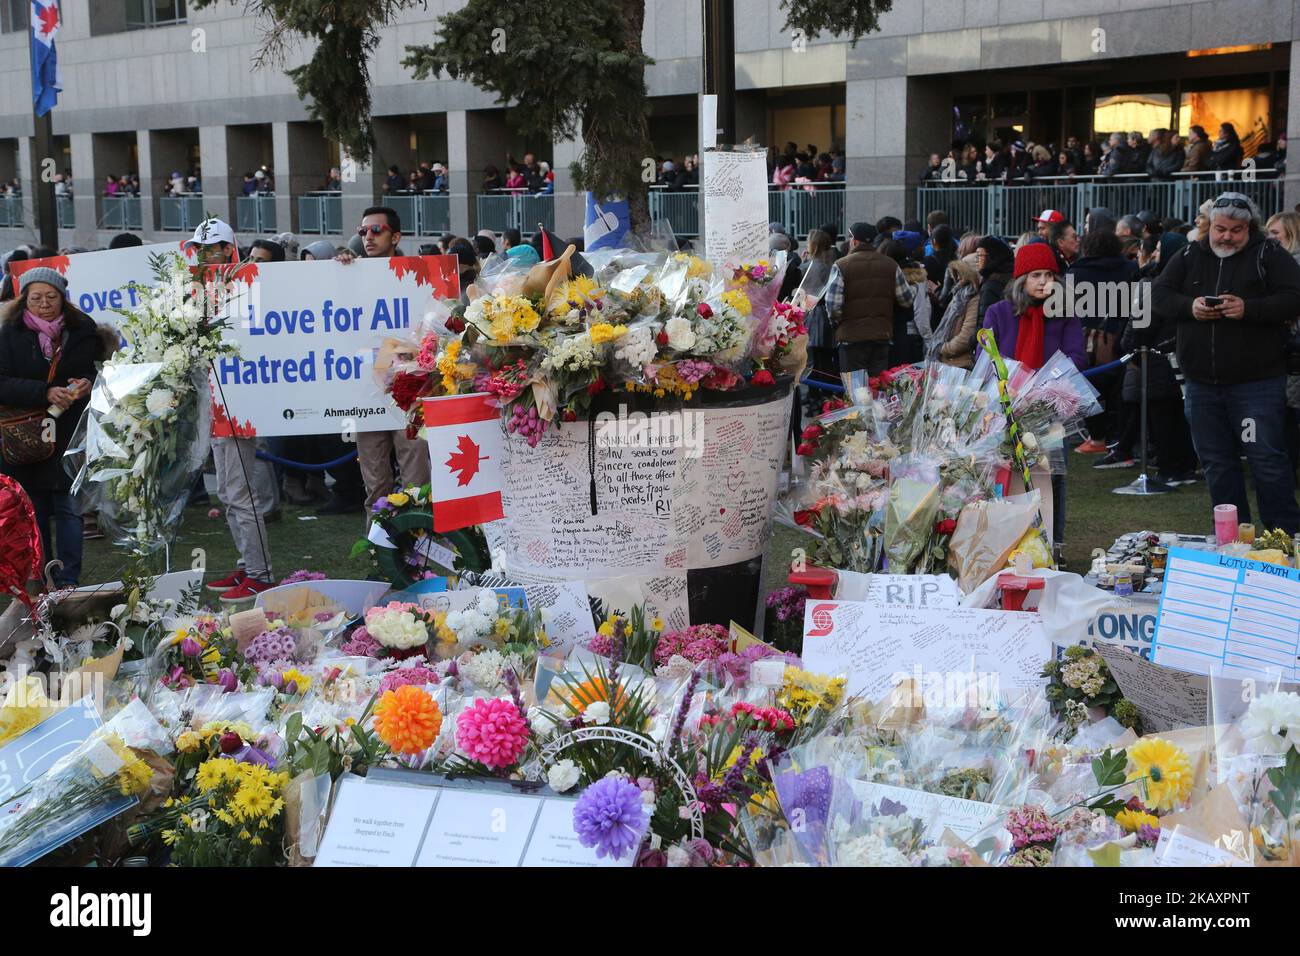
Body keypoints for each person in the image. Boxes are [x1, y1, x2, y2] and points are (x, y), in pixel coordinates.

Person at [1153, 192, 1300, 533]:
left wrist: (1249, 309)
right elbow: (1159, 295)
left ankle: (1286, 536)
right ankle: (1232, 537)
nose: (1227, 236)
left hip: (1257, 384)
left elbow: (1294, 298)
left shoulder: (1270, 253)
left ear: (1250, 228)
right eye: (1221, 228)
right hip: (1202, 385)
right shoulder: (1189, 254)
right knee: (1217, 463)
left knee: (1267, 459)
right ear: (1208, 226)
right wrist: (1191, 307)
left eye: (1237, 229)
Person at [186, 219, 278, 601]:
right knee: (227, 491)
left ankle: (261, 573)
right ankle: (247, 566)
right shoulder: (199, 287)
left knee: (240, 494)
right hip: (216, 402)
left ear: (228, 248)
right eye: (200, 249)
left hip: (239, 402)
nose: (206, 255)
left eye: (213, 248)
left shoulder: (246, 283)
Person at [0, 269, 107, 587]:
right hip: (25, 435)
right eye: (36, 298)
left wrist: (87, 382)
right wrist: (43, 392)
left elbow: (97, 368)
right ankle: (41, 575)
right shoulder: (9, 333)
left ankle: (68, 579)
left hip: (69, 431)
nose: (44, 304)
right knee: (33, 510)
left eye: (51, 296)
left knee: (70, 506)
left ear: (63, 297)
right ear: (24, 300)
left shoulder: (83, 329)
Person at [978, 243, 1086, 556]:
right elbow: (986, 357)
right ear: (1021, 278)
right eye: (1036, 275)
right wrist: (1007, 387)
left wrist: (1046, 387)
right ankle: (1007, 542)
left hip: (1049, 409)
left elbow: (1076, 356)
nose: (1043, 282)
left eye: (1050, 275)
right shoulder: (998, 312)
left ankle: (1054, 544)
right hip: (1006, 408)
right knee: (1004, 473)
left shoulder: (1064, 313)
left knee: (1053, 475)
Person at [335, 206, 432, 513]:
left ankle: (420, 550)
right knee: (375, 484)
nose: (368, 236)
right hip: (367, 392)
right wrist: (339, 268)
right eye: (363, 231)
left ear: (396, 236)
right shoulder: (353, 272)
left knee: (416, 480)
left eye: (376, 230)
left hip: (409, 392)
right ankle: (381, 554)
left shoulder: (417, 274)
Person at [1119, 231, 1199, 485]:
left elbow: (1141, 325)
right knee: (1178, 416)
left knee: (1163, 418)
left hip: (1157, 358)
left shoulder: (1159, 285)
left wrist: (1129, 346)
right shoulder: (1189, 282)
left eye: (1160, 248)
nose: (1154, 252)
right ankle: (1185, 466)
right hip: (1179, 358)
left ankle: (1170, 469)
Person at [1066, 230, 1139, 458]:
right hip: (1123, 336)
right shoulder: (1130, 269)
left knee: (1088, 388)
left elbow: (1065, 309)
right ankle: (1118, 436)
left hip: (1086, 338)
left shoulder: (1076, 272)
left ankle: (1097, 437)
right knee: (1121, 390)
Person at [821, 222, 915, 379]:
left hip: (851, 337)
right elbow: (906, 299)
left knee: (855, 391)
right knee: (878, 387)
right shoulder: (891, 265)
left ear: (855, 241)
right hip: (881, 335)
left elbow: (833, 305)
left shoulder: (842, 265)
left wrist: (837, 324)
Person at [800, 229, 839, 385]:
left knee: (812, 361)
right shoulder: (834, 263)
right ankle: (828, 393)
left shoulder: (809, 266)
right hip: (830, 314)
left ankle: (814, 395)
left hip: (813, 314)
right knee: (827, 360)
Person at [932, 256, 981, 369]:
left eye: (961, 272)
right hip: (951, 362)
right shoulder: (960, 294)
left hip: (960, 364)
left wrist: (944, 348)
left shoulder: (973, 298)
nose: (958, 277)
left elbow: (966, 335)